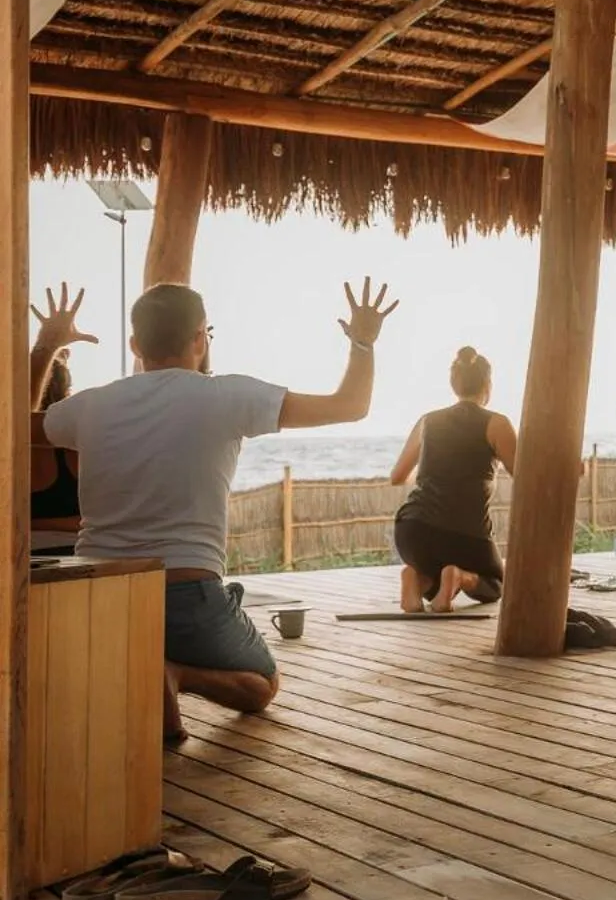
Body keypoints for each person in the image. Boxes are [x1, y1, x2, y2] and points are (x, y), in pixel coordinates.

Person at [32, 279, 397, 740]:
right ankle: (176, 674)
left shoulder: (91, 405)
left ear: (134, 344)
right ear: (200, 339)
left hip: (101, 600)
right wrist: (363, 343)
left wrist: (45, 347)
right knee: (263, 685)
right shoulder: (227, 395)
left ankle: (136, 663)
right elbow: (350, 406)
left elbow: (15, 425)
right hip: (186, 594)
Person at [389, 347, 515, 614]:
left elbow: (397, 477)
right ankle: (458, 576)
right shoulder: (496, 423)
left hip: (411, 531)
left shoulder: (428, 421)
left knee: (432, 568)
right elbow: (523, 474)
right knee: (498, 585)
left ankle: (415, 579)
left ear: (454, 384)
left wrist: (435, 476)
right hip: (463, 535)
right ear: (488, 385)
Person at [30, 350, 81, 555]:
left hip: (16, 560)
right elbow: (89, 521)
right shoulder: (74, 446)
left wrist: (30, 524)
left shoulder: (10, 446)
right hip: (75, 556)